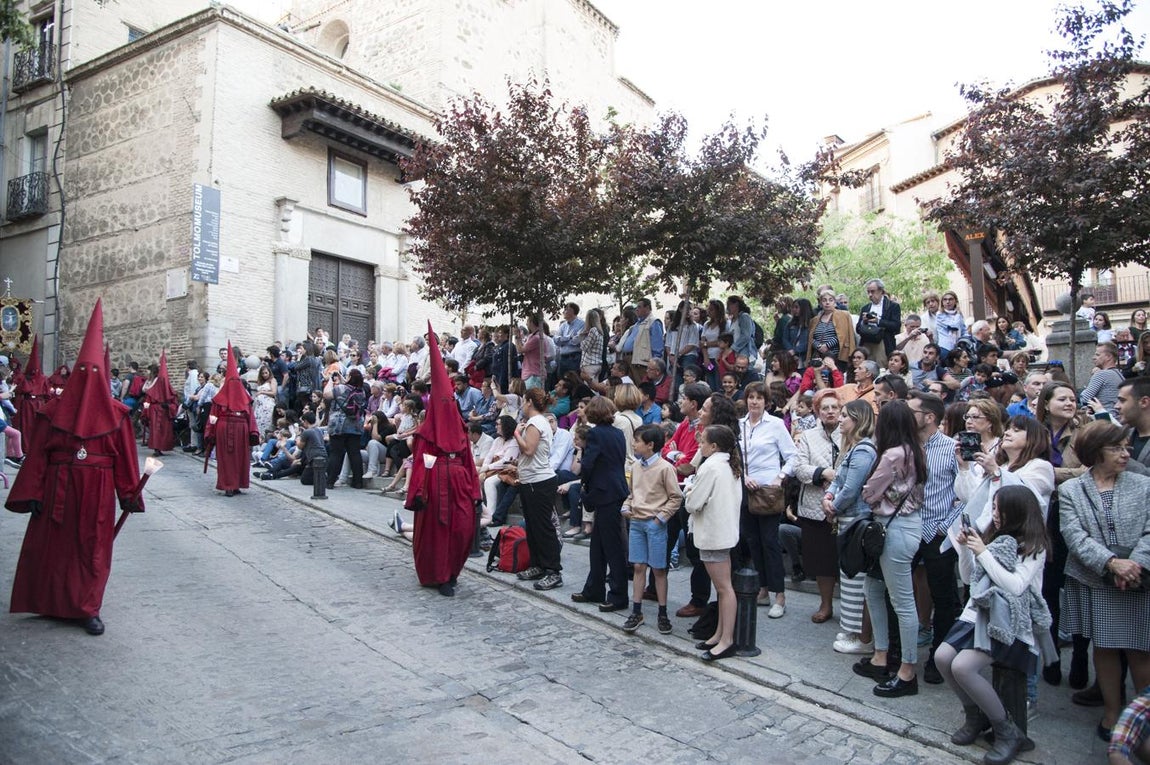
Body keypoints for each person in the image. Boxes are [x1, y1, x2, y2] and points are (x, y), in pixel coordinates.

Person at [5, 300, 144, 636]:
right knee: (55, 548)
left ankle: (87, 606)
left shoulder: (117, 416)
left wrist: (128, 493)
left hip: (97, 492)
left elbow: (125, 458)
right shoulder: (53, 412)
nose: (87, 380)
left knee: (91, 550)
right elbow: (38, 456)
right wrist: (33, 491)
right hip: (58, 488)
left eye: (94, 373)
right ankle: (52, 602)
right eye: (83, 372)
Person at [938, 485, 1052, 765]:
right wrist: (967, 550)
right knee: (942, 657)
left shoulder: (1034, 547)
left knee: (963, 667)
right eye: (993, 508)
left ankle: (1005, 729)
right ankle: (975, 716)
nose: (994, 515)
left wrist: (983, 553)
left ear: (1015, 512)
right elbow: (969, 578)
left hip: (1009, 621)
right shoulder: (992, 536)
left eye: (999, 509)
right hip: (977, 614)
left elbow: (1015, 586)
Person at [1059, 421, 1150, 743]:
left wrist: (1134, 564)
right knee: (1106, 646)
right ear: (1096, 452)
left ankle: (1143, 714)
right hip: (1095, 578)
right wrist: (1111, 563)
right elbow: (1074, 535)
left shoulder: (1142, 485)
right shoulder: (1071, 490)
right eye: (1117, 448)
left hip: (1138, 579)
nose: (1125, 454)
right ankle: (1113, 710)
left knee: (1141, 649)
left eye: (1127, 447)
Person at [399, 325, 482, 597]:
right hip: (435, 490)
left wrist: (474, 490)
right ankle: (440, 575)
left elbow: (469, 460)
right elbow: (422, 462)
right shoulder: (426, 433)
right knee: (437, 535)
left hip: (458, 488)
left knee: (461, 531)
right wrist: (420, 491)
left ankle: (453, 570)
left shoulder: (460, 428)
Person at [853, 400, 927, 697]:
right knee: (873, 588)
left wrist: (868, 493)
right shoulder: (916, 451)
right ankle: (880, 655)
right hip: (907, 525)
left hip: (894, 528)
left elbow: (870, 491)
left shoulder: (893, 454)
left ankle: (907, 671)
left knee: (902, 601)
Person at [685, 424, 743, 661]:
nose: (699, 446)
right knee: (723, 588)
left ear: (714, 446)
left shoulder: (711, 466)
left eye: (702, 442)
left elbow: (693, 503)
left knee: (724, 589)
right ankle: (719, 634)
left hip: (713, 534)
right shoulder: (728, 464)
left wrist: (689, 490)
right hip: (723, 532)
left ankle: (727, 640)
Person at [740, 381, 797, 618]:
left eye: (759, 398)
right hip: (746, 490)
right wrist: (744, 476)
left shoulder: (775, 425)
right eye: (751, 397)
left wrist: (780, 477)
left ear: (767, 401)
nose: (754, 402)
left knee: (770, 543)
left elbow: (792, 455)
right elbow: (736, 457)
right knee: (753, 541)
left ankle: (779, 595)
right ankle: (762, 589)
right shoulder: (740, 424)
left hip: (769, 492)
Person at [825, 399, 878, 654]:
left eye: (845, 414)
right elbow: (838, 480)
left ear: (858, 419)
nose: (840, 418)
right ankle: (850, 627)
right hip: (846, 515)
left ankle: (859, 632)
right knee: (849, 579)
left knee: (856, 579)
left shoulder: (864, 450)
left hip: (855, 516)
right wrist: (828, 497)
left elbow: (851, 488)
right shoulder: (853, 448)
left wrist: (833, 506)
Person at [571, 396, 630, 612]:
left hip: (604, 491)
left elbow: (589, 463)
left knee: (611, 547)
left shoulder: (595, 433)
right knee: (598, 545)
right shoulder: (618, 433)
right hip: (614, 488)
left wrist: (586, 487)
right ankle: (594, 588)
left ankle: (617, 595)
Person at [620, 424, 680, 634]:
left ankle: (662, 613)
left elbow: (675, 498)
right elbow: (632, 493)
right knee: (638, 567)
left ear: (650, 445)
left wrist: (659, 520)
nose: (634, 444)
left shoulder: (665, 468)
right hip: (636, 522)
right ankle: (636, 610)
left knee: (658, 569)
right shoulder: (636, 467)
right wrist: (626, 506)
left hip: (654, 524)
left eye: (638, 441)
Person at [792, 388, 842, 623]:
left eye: (834, 407)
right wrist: (824, 473)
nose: (830, 412)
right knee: (822, 561)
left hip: (845, 506)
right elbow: (800, 469)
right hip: (815, 507)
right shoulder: (808, 436)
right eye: (825, 408)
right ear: (817, 411)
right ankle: (825, 604)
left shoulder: (850, 432)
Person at [511, 387, 563, 591]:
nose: (523, 405)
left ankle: (553, 570)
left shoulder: (536, 422)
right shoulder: (538, 422)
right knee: (532, 526)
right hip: (530, 480)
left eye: (524, 401)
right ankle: (538, 564)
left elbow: (529, 449)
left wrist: (516, 432)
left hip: (539, 481)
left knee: (543, 527)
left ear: (530, 402)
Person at [205, 342, 259, 497]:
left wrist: (211, 432)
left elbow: (213, 417)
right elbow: (250, 416)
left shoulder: (220, 397)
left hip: (225, 427)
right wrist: (252, 431)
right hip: (239, 428)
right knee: (236, 457)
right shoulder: (244, 397)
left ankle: (232, 485)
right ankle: (232, 484)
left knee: (230, 458)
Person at [324, 368, 367, 489]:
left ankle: (330, 481)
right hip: (355, 426)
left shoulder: (340, 389)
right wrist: (343, 377)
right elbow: (349, 386)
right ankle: (358, 482)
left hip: (339, 425)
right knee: (354, 453)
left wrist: (330, 381)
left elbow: (326, 395)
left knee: (336, 453)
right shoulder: (361, 391)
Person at [856, 278, 901, 368]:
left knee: (881, 368)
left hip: (883, 342)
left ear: (881, 291)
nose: (870, 295)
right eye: (868, 292)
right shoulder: (865, 308)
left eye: (873, 291)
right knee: (865, 368)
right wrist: (863, 322)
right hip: (867, 342)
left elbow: (896, 326)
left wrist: (879, 321)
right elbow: (858, 328)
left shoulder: (892, 306)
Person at [808, 289, 856, 371]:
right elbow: (811, 338)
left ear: (834, 302)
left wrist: (827, 345)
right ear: (820, 303)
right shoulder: (814, 320)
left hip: (837, 356)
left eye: (830, 300)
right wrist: (819, 346)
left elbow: (843, 334)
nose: (827, 302)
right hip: (819, 356)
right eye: (824, 300)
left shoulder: (843, 315)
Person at [141, 354, 179, 457]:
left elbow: (174, 401)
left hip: (165, 411)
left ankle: (162, 447)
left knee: (164, 431)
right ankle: (157, 448)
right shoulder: (153, 388)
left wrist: (169, 407)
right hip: (155, 411)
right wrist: (146, 412)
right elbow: (147, 401)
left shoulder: (168, 387)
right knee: (156, 430)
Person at [1081, 343, 1126, 418]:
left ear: (1108, 357)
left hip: (1105, 418)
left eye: (1098, 355)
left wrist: (1085, 390)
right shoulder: (1119, 374)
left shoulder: (1101, 375)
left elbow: (1085, 399)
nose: (1093, 358)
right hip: (1118, 419)